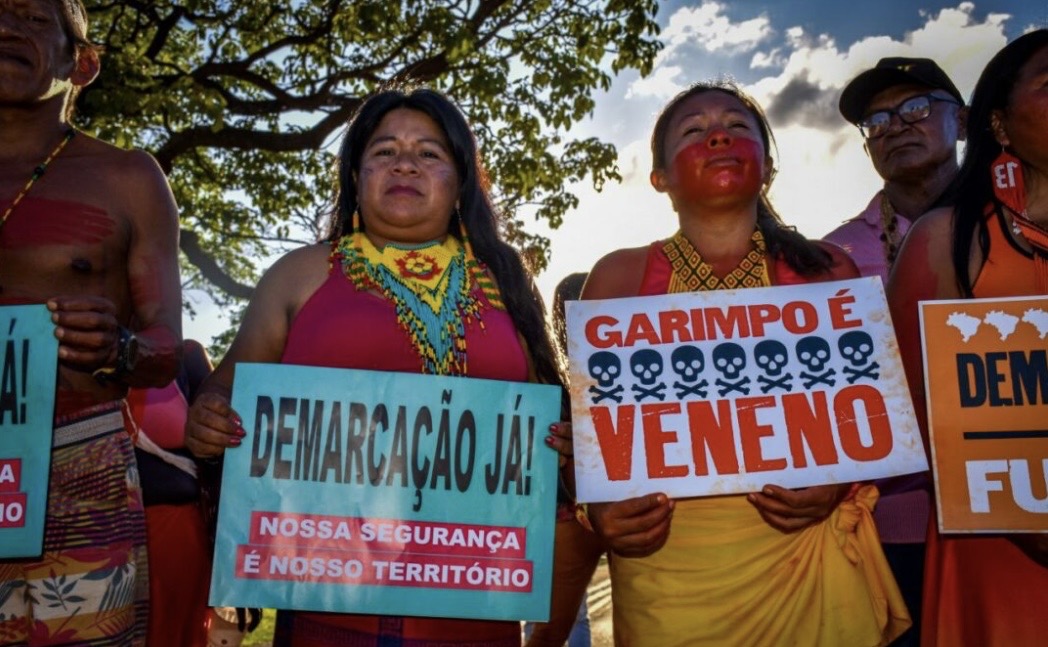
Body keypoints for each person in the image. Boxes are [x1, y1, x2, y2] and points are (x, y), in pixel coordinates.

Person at [184, 86, 566, 646]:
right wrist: (208, 422)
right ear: (356, 177)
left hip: (475, 608)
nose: (405, 162)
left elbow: (553, 423)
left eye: (429, 153)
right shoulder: (300, 274)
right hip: (326, 605)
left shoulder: (505, 281)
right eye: (384, 151)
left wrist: (568, 444)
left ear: (461, 180)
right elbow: (224, 394)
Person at [579, 81, 911, 646]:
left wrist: (838, 486)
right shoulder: (617, 278)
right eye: (693, 130)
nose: (717, 137)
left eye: (737, 126)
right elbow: (595, 447)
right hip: (669, 578)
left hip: (808, 564)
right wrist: (603, 514)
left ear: (768, 166)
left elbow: (871, 421)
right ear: (660, 177)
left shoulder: (829, 271)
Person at [0, 1, 183, 645]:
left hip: (77, 462)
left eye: (31, 17)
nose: (6, 27)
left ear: (82, 64)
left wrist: (121, 346)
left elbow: (167, 346)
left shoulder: (126, 178)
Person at [886, 29, 1048, 647]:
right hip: (1000, 558)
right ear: (1000, 127)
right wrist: (1019, 510)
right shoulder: (946, 241)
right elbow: (905, 412)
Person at [826, 56, 967, 646]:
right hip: (887, 540)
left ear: (960, 120)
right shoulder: (831, 259)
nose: (896, 126)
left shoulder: (1026, 222)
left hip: (1022, 519)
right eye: (878, 121)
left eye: (916, 108)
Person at [525, 272, 604, 647]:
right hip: (572, 511)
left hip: (563, 512)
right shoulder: (555, 373)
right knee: (566, 615)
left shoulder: (546, 373)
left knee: (550, 613)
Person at [125, 340, 214, 647]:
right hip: (88, 531)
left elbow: (223, 455)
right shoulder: (67, 352)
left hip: (176, 535)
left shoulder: (186, 356)